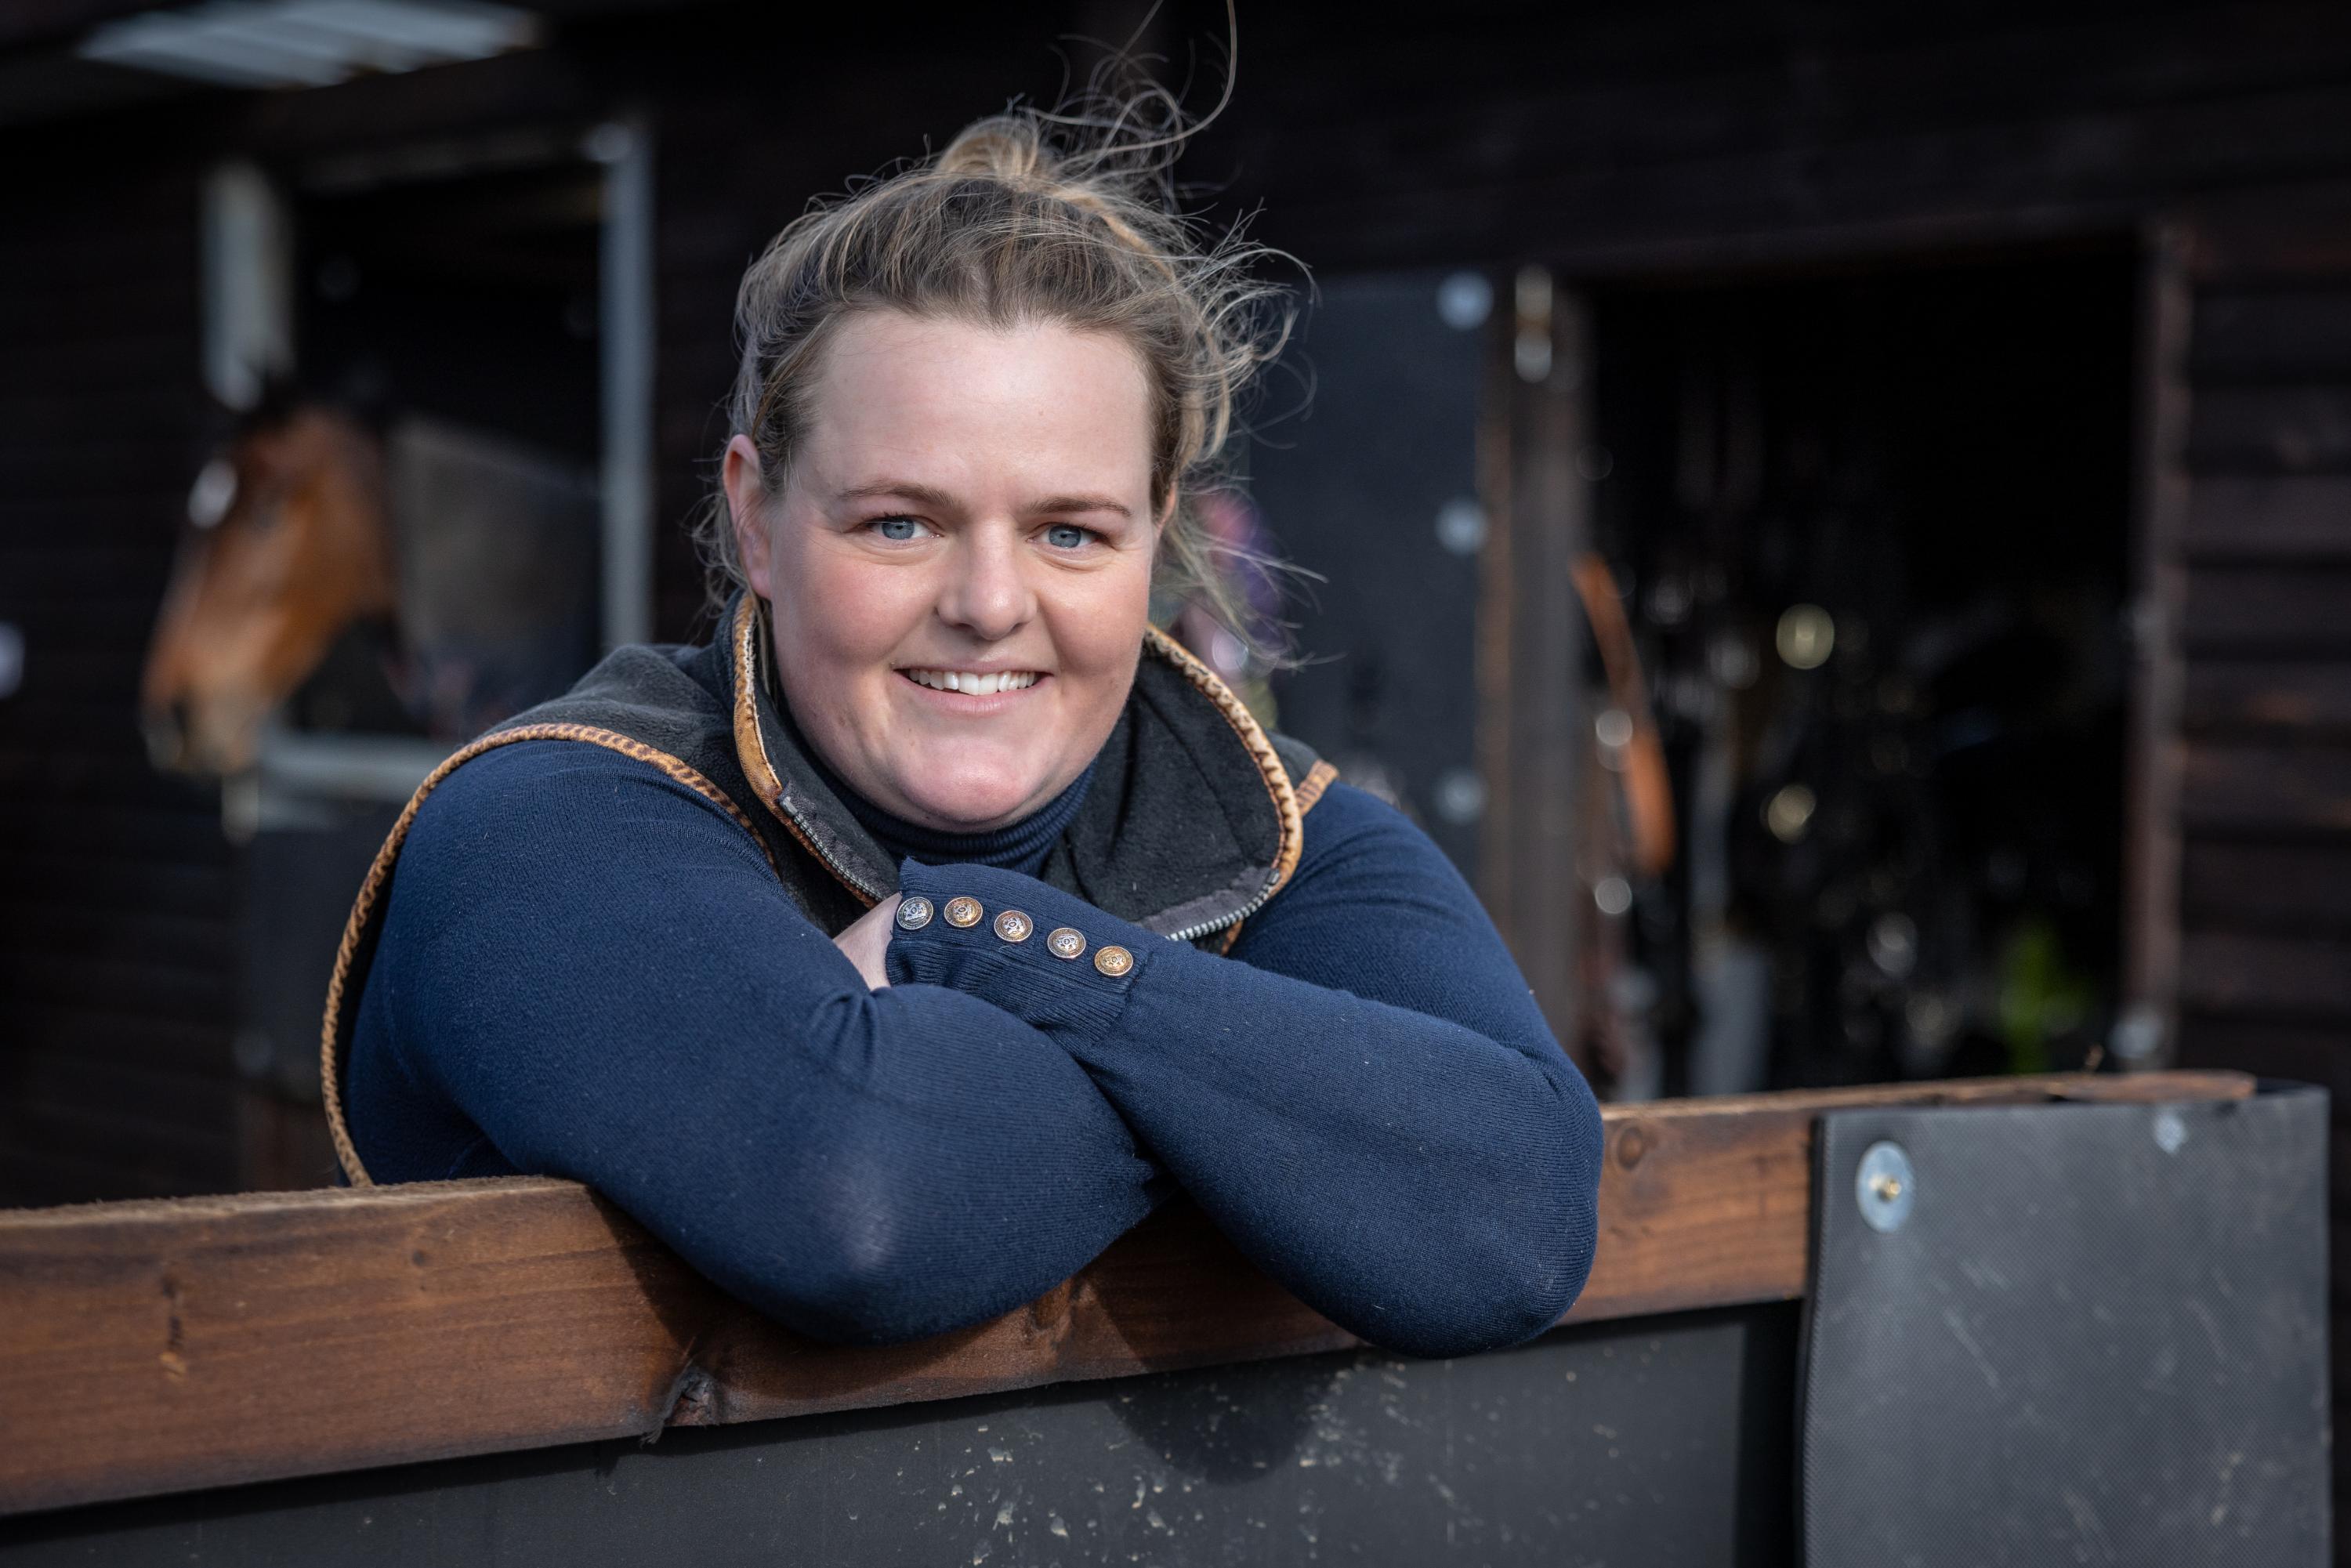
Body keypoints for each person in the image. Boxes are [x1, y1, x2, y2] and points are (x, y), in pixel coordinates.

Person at [324, 100, 1604, 1360]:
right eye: (900, 522)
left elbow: (1517, 1209)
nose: (989, 605)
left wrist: (980, 949)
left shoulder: (1267, 823)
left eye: (1069, 531)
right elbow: (860, 1200)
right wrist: (1274, 1108)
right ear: (759, 520)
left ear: (1156, 531)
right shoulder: (543, 822)